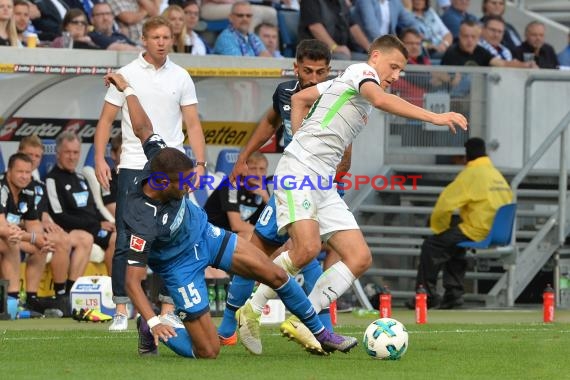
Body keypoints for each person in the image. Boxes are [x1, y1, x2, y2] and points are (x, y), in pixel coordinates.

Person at [237, 35, 468, 354]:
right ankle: (250, 311)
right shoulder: (362, 73)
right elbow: (382, 101)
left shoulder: (345, 80)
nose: (397, 76)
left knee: (359, 257)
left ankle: (303, 322)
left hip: (322, 181)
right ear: (375, 57)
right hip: (300, 171)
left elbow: (302, 98)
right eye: (395, 67)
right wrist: (435, 117)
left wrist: (302, 132)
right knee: (306, 249)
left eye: (401, 70)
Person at [104, 71, 358, 358]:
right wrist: (152, 319)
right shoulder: (139, 218)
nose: (193, 186)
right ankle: (150, 329)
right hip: (179, 266)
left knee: (274, 273)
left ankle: (322, 334)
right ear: (162, 184)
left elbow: (142, 126)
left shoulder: (162, 158)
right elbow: (131, 280)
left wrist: (127, 89)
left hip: (206, 235)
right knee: (208, 352)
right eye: (186, 184)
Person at [215, 39, 340, 346]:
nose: (313, 78)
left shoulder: (337, 96)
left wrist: (328, 183)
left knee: (310, 256)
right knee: (254, 255)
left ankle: (322, 329)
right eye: (307, 71)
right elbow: (270, 122)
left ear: (329, 71)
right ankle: (229, 327)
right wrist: (244, 156)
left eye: (321, 72)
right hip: (288, 185)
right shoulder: (285, 92)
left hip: (317, 187)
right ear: (296, 67)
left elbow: (345, 153)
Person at [94, 16, 207, 331]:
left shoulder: (182, 75)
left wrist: (199, 163)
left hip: (173, 165)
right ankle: (121, 308)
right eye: (155, 36)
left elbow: (193, 124)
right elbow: (104, 122)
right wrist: (101, 158)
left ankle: (169, 307)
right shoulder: (126, 74)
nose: (161, 42)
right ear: (143, 39)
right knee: (125, 236)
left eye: (166, 36)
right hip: (133, 161)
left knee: (177, 235)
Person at [406, 138, 513, 309]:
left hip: (478, 229)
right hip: (497, 229)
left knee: (431, 245)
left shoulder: (471, 174)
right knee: (452, 243)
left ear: (466, 155)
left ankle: (425, 295)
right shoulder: (495, 174)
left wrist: (438, 228)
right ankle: (453, 295)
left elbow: (445, 204)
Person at [18, 135, 93, 316]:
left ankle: (65, 295)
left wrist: (44, 221)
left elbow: (41, 212)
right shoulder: (12, 180)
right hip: (13, 232)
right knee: (51, 241)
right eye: (29, 154)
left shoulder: (37, 184)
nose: (33, 159)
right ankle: (44, 297)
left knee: (74, 238)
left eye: (37, 156)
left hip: (31, 230)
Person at [45, 132, 117, 275]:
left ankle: (116, 287)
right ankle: (75, 289)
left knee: (120, 236)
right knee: (115, 239)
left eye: (75, 152)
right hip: (74, 229)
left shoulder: (81, 178)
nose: (72, 157)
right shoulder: (52, 179)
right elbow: (59, 216)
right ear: (58, 153)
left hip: (93, 227)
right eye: (67, 152)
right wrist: (96, 224)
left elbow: (94, 208)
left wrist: (104, 221)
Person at [0, 153, 53, 312]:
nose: (24, 177)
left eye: (27, 172)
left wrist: (42, 240)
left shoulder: (28, 191)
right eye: (20, 172)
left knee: (40, 248)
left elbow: (34, 224)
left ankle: (31, 298)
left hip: (11, 237)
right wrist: (33, 237)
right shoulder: (1, 188)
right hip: (5, 236)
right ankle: (12, 301)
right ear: (9, 171)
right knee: (11, 242)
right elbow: (2, 227)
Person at [204, 151, 269, 238]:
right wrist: (265, 234)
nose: (258, 174)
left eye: (262, 169)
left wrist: (267, 199)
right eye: (253, 169)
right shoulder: (232, 185)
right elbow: (236, 225)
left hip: (232, 236)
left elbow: (273, 222)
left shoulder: (262, 187)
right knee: (249, 236)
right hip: (212, 234)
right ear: (243, 169)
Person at [441, 20, 534, 68]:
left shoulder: (481, 52)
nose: (470, 40)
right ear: (459, 36)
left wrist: (525, 65)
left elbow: (502, 63)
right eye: (466, 36)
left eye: (473, 37)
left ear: (478, 38)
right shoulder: (451, 53)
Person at [297, 0, 370, 60]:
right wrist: (334, 47)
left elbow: (352, 27)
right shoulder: (310, 2)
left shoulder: (341, 2)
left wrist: (369, 48)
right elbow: (315, 27)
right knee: (343, 58)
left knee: (369, 60)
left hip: (342, 50)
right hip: (315, 51)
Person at [351, 0, 420, 43]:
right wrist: (386, 46)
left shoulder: (395, 2)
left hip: (386, 45)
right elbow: (371, 27)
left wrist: (417, 33)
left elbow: (410, 21)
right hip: (367, 45)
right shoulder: (365, 1)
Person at [201, 0, 277, 34]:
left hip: (237, 3)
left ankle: (275, 53)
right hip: (211, 6)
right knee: (253, 11)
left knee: (272, 13)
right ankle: (248, 46)